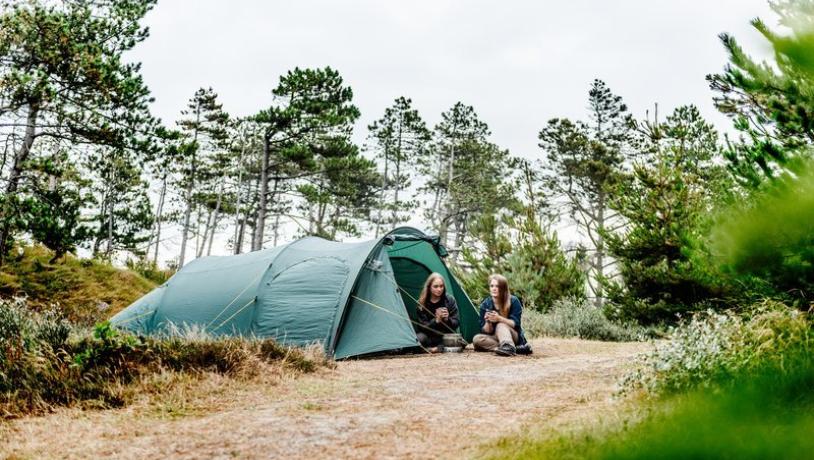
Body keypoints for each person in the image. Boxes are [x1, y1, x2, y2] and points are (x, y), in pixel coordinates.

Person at [473, 274, 528, 356]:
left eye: (497, 286)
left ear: (503, 288)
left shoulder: (513, 301)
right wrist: (488, 322)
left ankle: (509, 345)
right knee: (477, 339)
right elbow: (486, 331)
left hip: (513, 335)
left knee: (500, 325)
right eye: (492, 286)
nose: (494, 289)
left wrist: (499, 319)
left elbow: (515, 324)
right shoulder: (485, 304)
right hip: (495, 337)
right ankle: (509, 348)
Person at [415, 272, 460, 352]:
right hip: (428, 337)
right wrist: (436, 321)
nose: (439, 289)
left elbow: (456, 322)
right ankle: (437, 349)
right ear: (429, 287)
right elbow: (422, 327)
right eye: (435, 286)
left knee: (456, 339)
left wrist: (447, 319)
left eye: (441, 286)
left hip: (445, 335)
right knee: (417, 339)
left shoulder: (449, 300)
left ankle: (433, 349)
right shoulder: (421, 303)